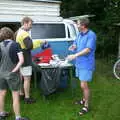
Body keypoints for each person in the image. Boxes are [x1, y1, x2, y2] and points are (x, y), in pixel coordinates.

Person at [67, 17, 96, 115]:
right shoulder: (79, 34)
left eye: (78, 24)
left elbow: (88, 49)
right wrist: (73, 46)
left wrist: (74, 55)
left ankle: (86, 106)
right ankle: (83, 100)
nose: (77, 25)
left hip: (86, 64)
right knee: (82, 84)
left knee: (84, 85)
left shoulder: (91, 35)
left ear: (83, 26)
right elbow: (76, 43)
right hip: (79, 63)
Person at [0, 27, 29, 120]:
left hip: (1, 73)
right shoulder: (16, 45)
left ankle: (2, 113)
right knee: (15, 95)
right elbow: (21, 60)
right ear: (11, 34)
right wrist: (15, 70)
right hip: (12, 73)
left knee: (1, 93)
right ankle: (18, 117)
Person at [16, 16, 36, 104]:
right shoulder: (24, 33)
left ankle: (21, 94)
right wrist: (38, 43)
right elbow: (30, 46)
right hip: (25, 58)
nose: (31, 27)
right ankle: (27, 98)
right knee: (27, 78)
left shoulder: (17, 32)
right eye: (30, 24)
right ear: (25, 23)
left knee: (20, 77)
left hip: (19, 57)